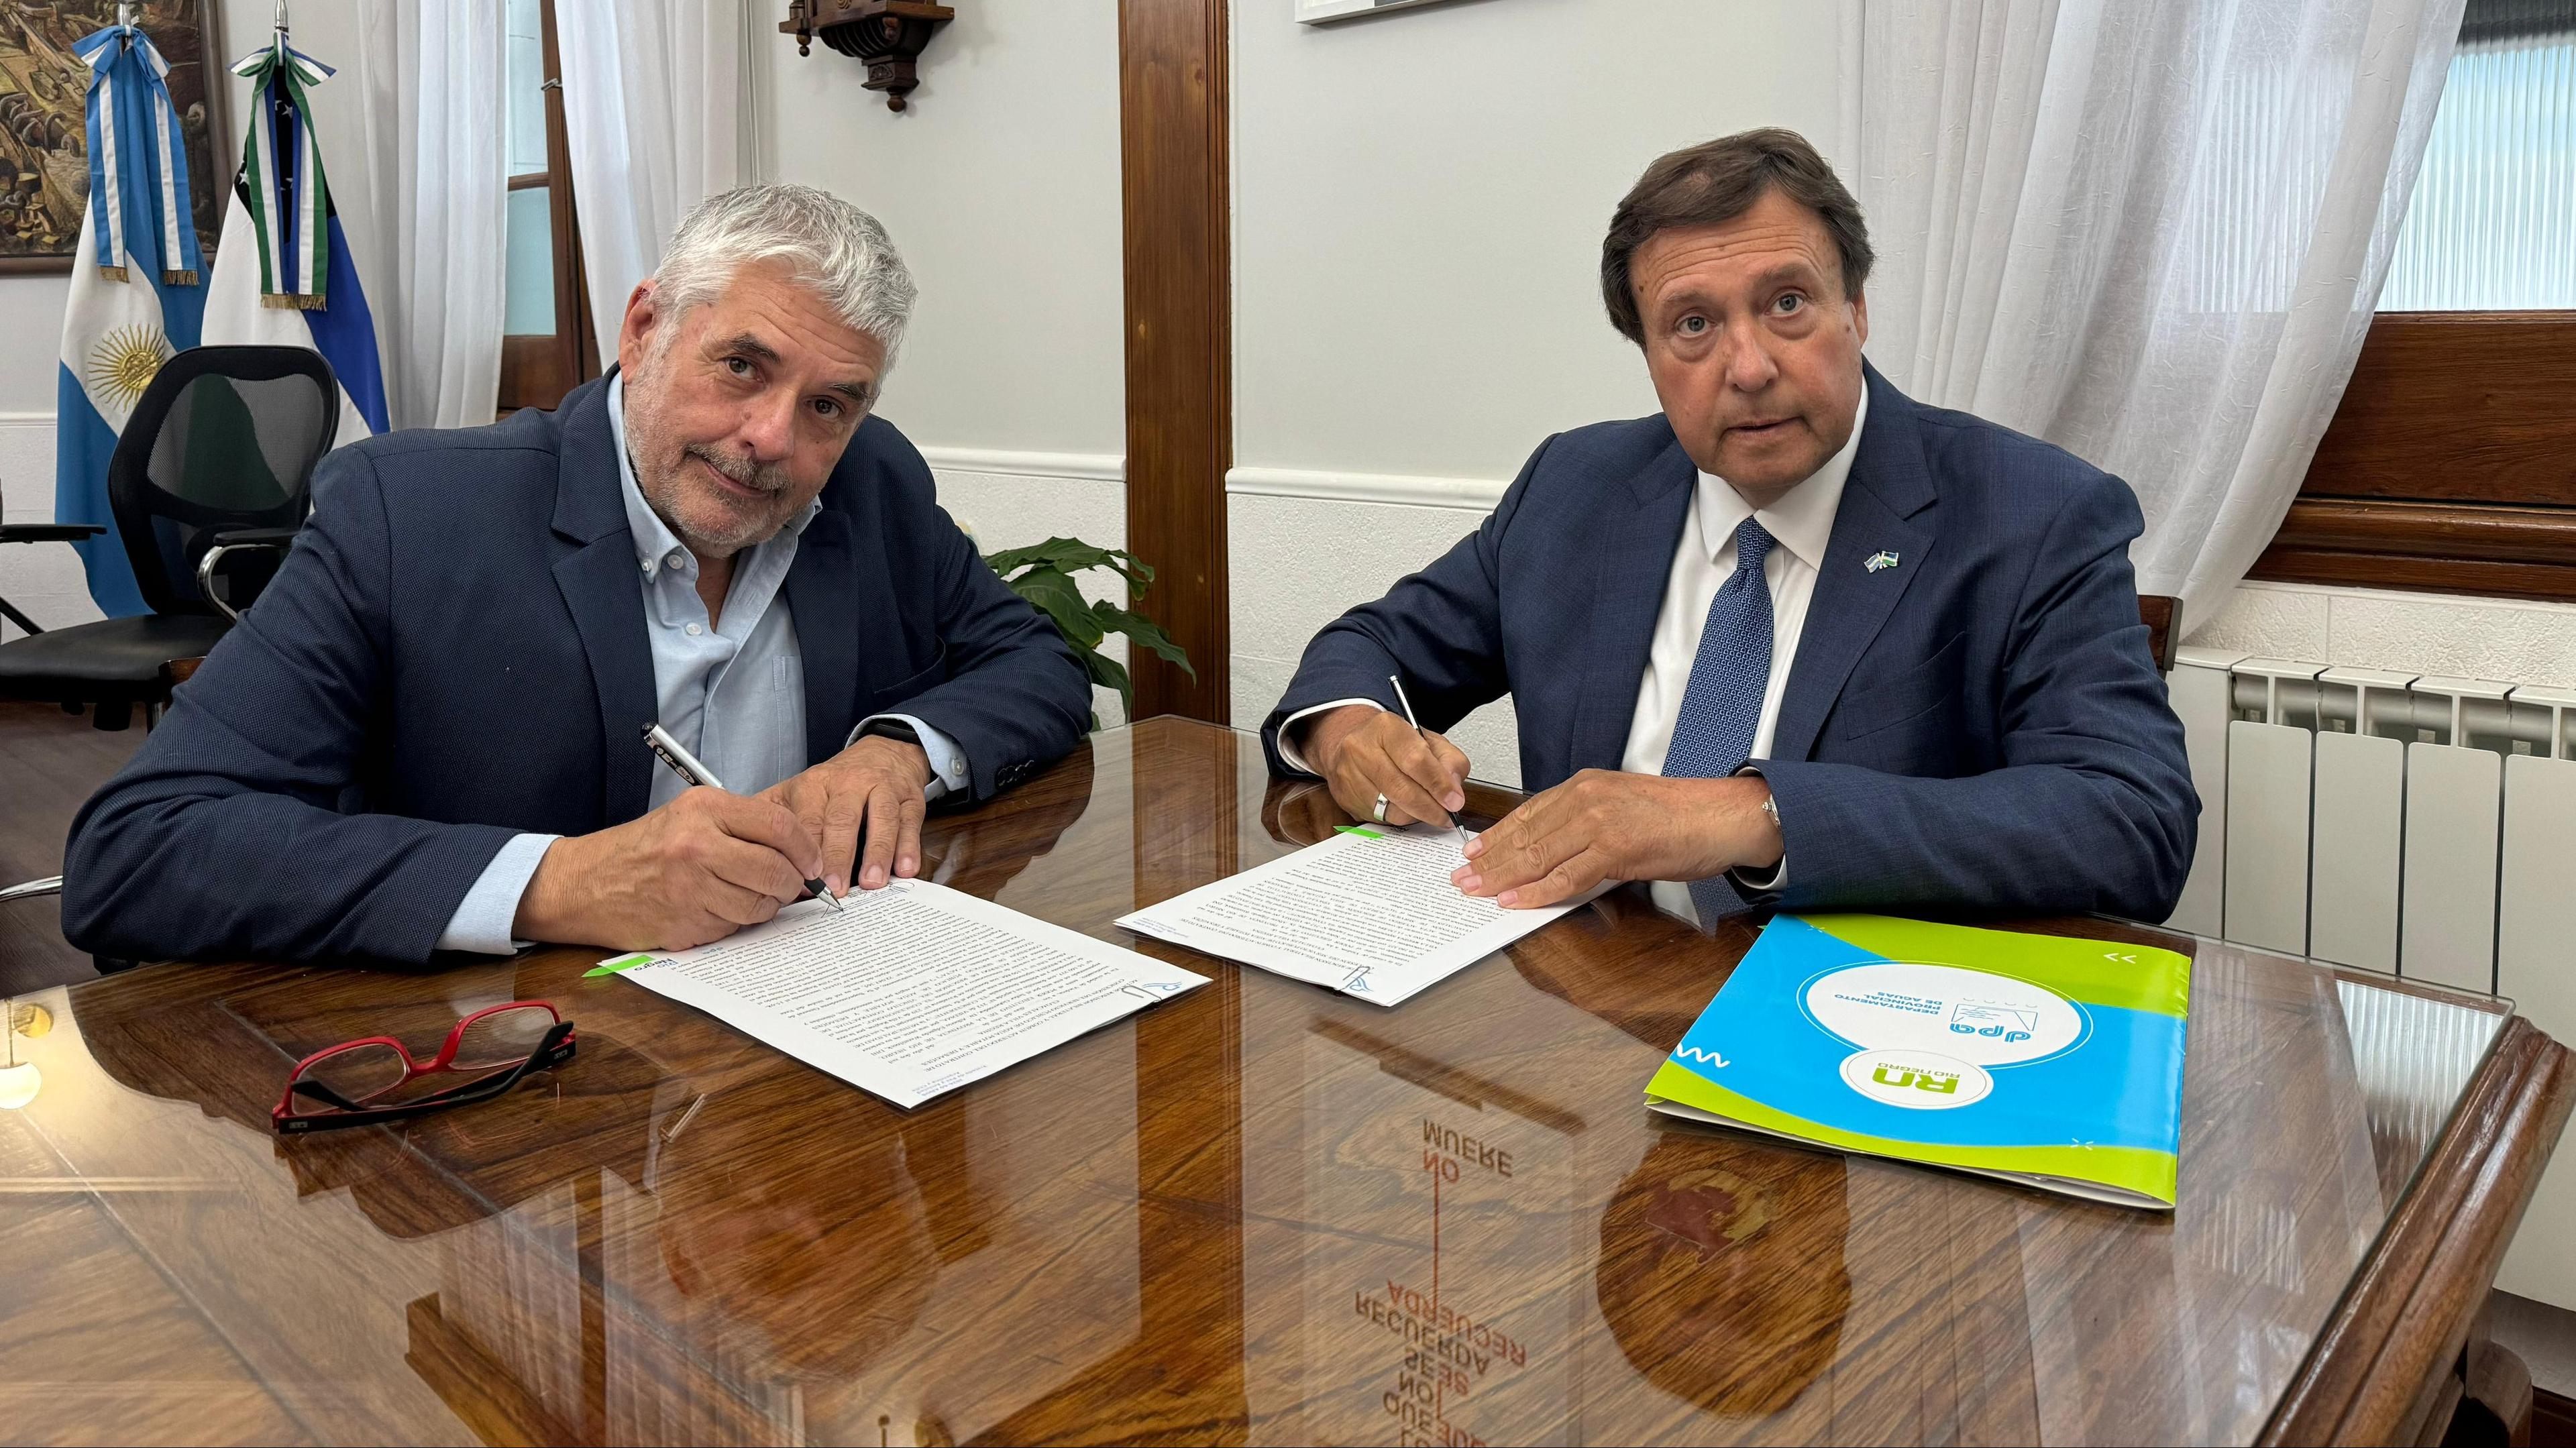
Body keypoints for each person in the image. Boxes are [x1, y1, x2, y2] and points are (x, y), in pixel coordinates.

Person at [63, 184, 1091, 964]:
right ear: (644, 331)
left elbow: (1038, 662)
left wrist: (898, 754)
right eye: (742, 365)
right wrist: (563, 884)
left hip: (813, 1029)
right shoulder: (408, 513)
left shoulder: (872, 480)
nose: (773, 439)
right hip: (515, 1075)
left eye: (830, 404)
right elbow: (138, 850)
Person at [1265, 129, 2194, 926]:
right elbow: (1370, 646)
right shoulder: (1576, 487)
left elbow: (2132, 820)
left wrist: (1754, 815)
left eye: (1787, 303)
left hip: (1849, 1025)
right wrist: (1351, 736)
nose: (1748, 368)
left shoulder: (2034, 513)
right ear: (1649, 355)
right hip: (1587, 1002)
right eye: (1693, 324)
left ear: (1856, 309)